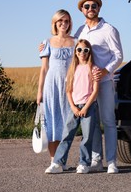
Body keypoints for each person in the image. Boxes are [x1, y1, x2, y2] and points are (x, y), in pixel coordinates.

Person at [75, 0, 123, 174]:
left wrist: (105, 70)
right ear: (82, 10)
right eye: (86, 6)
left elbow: (118, 55)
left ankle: (112, 161)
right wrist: (46, 46)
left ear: (99, 8)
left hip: (104, 82)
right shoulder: (80, 31)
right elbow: (72, 50)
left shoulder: (109, 29)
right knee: (91, 123)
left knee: (108, 120)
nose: (90, 9)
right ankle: (96, 160)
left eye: (93, 6)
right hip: (85, 85)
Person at [45, 39, 99, 174]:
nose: (82, 53)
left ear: (89, 52)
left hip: (89, 107)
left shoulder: (93, 68)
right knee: (67, 135)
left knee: (87, 137)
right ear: (75, 52)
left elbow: (95, 91)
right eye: (79, 49)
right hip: (74, 107)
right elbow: (68, 90)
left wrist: (86, 107)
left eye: (85, 50)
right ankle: (57, 163)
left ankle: (83, 163)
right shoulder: (72, 68)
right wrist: (73, 107)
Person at [37, 9, 75, 166]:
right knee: (52, 122)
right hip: (51, 86)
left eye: (66, 21)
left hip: (69, 87)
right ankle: (54, 160)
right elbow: (44, 68)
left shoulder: (76, 41)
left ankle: (62, 159)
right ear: (55, 23)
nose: (63, 24)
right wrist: (39, 91)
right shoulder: (47, 42)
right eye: (60, 21)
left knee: (66, 123)